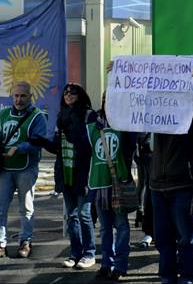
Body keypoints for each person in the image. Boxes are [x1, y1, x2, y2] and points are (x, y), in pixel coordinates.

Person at [150, 64, 193, 284]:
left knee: (187, 236)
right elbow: (129, 107)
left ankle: (187, 276)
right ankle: (167, 277)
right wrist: (116, 75)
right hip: (157, 185)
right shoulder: (153, 117)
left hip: (182, 184)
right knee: (163, 238)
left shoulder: (190, 119)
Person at [32, 83, 97, 270]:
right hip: (65, 172)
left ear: (81, 95)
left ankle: (89, 253)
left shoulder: (88, 115)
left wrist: (75, 133)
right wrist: (42, 141)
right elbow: (57, 148)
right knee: (71, 216)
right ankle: (75, 253)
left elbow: (90, 146)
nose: (68, 94)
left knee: (85, 214)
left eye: (73, 92)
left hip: (83, 172)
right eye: (66, 92)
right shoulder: (62, 116)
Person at [0, 81, 47, 261]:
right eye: (16, 96)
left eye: (23, 96)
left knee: (26, 209)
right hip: (5, 169)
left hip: (26, 168)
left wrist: (19, 148)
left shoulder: (37, 116)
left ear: (30, 97)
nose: (19, 100)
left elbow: (38, 142)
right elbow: (0, 141)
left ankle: (25, 242)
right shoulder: (3, 113)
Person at [86, 93, 136, 281]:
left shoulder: (126, 123)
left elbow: (131, 146)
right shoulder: (93, 122)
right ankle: (106, 264)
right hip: (99, 184)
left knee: (122, 226)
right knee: (105, 228)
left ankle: (120, 265)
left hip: (118, 182)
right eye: (107, 99)